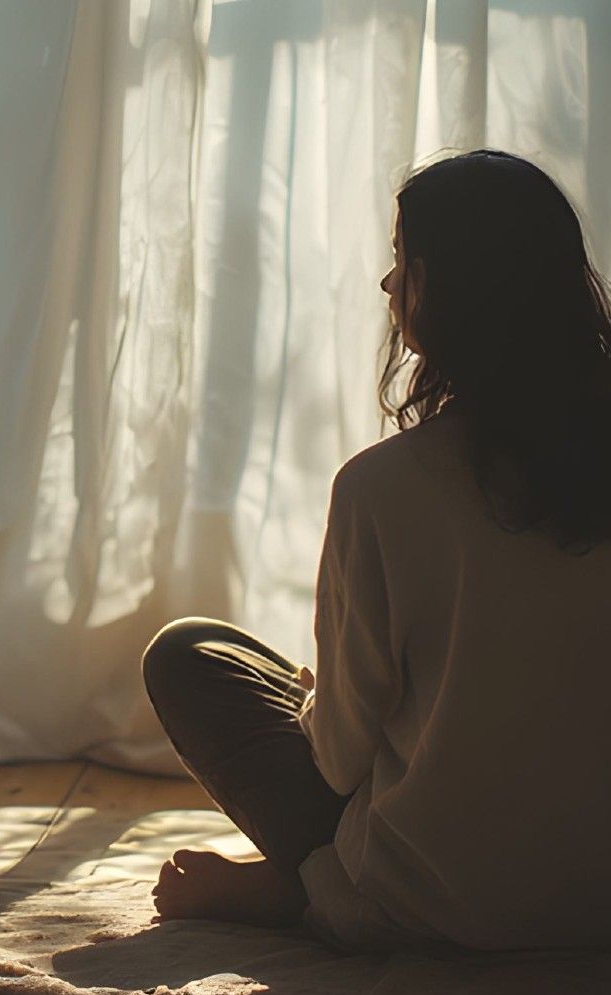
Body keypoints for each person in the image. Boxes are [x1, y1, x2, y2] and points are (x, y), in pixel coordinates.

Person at [142, 149, 611, 953]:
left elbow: (336, 760)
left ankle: (301, 888)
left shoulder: (382, 487)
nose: (388, 287)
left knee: (188, 653)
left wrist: (321, 696)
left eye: (402, 263)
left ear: (439, 289)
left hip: (421, 906)